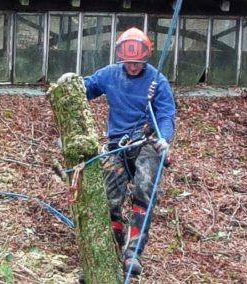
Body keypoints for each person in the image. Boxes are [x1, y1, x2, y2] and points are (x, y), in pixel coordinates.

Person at [60, 27, 175, 279]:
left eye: (138, 63)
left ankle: (133, 253)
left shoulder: (157, 81)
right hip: (117, 145)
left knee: (145, 190)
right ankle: (111, 253)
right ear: (121, 58)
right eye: (128, 62)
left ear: (145, 58)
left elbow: (166, 115)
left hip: (146, 142)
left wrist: (164, 139)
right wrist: (71, 83)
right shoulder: (110, 75)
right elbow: (86, 88)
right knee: (110, 199)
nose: (133, 67)